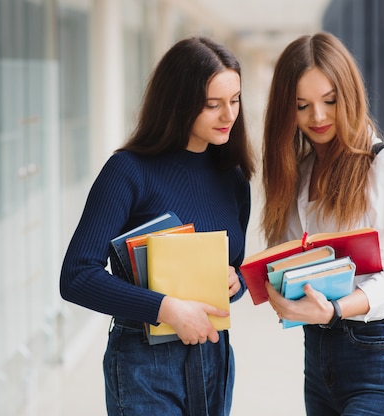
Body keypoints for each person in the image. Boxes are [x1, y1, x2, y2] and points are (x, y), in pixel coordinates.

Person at [60, 36, 254, 415]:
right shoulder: (127, 172)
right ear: (179, 105)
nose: (229, 115)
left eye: (234, 100)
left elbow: (236, 265)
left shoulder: (232, 178)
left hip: (214, 355)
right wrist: (167, 309)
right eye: (213, 105)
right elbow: (77, 276)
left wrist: (238, 281)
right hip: (144, 362)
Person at [260, 32, 384, 415]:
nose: (317, 117)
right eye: (302, 105)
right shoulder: (299, 173)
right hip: (318, 356)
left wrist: (335, 310)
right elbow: (293, 257)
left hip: (379, 353)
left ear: (349, 95)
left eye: (330, 101)